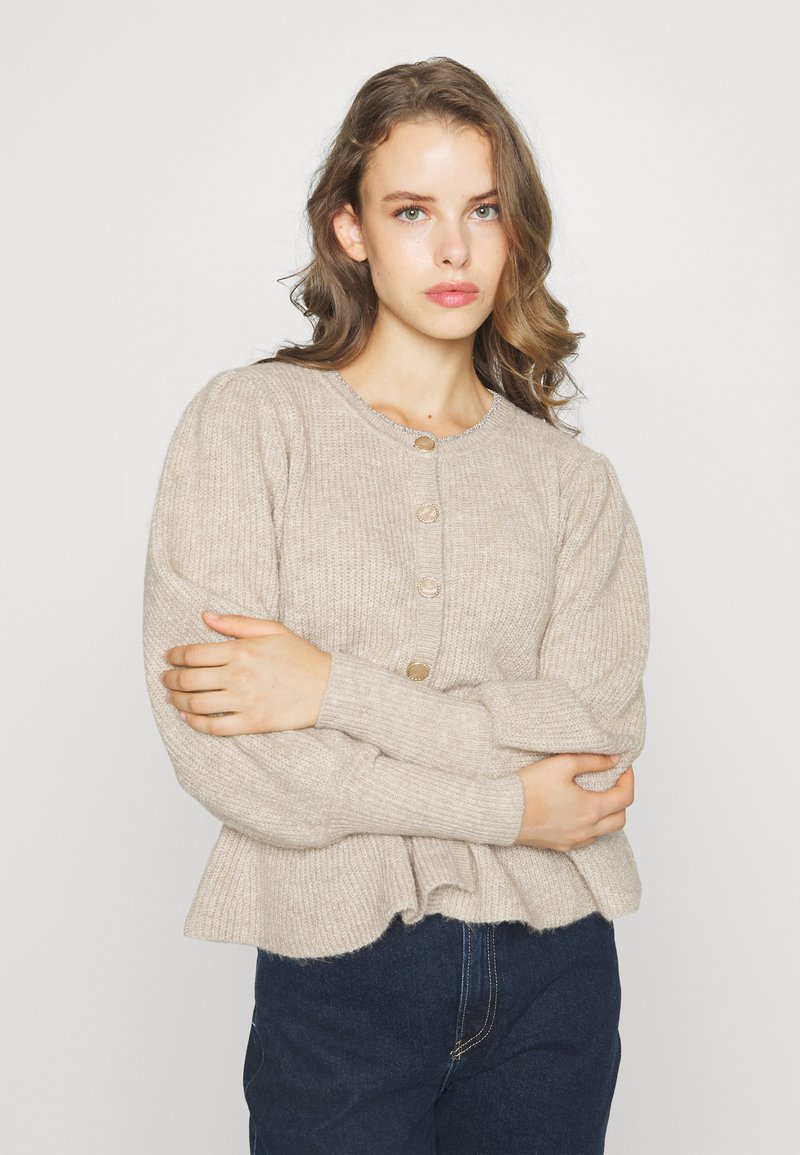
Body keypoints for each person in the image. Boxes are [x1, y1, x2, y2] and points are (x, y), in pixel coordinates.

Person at [142, 56, 650, 1155]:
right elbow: (230, 754)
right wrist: (509, 807)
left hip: (554, 973)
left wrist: (330, 689)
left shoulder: (572, 485)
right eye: (412, 210)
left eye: (483, 210)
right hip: (338, 971)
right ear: (351, 230)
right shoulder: (249, 425)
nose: (453, 249)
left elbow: (590, 743)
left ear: (516, 231)